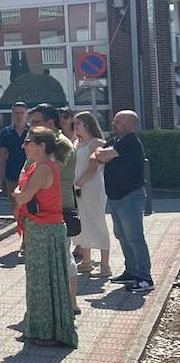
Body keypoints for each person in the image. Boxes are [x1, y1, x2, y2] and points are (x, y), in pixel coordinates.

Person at [13, 128, 80, 347]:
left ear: (42, 146)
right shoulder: (37, 166)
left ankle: (48, 333)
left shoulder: (43, 168)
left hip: (46, 229)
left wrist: (16, 193)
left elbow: (23, 196)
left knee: (45, 282)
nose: (25, 145)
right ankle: (37, 329)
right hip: (39, 228)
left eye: (28, 141)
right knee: (37, 281)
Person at [92, 110, 154, 293]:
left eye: (117, 121)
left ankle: (144, 278)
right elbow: (99, 154)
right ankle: (131, 271)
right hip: (116, 196)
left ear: (128, 125)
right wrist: (100, 152)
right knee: (122, 235)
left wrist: (99, 151)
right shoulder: (116, 140)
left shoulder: (130, 142)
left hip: (130, 196)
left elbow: (100, 156)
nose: (113, 123)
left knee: (135, 237)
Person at [29, 105, 80, 308]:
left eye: (36, 122)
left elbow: (44, 173)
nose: (31, 126)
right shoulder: (40, 144)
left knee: (63, 255)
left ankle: (71, 301)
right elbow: (26, 173)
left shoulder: (61, 145)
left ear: (50, 123)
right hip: (41, 208)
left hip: (60, 208)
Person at [71, 112, 111, 281]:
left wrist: (79, 183)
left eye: (78, 123)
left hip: (92, 187)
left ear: (87, 124)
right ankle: (86, 262)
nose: (75, 126)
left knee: (97, 223)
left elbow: (93, 167)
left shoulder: (98, 143)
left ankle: (105, 266)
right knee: (83, 224)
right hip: (77, 187)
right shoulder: (76, 142)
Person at [0, 102, 30, 196]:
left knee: (29, 205)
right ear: (12, 114)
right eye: (16, 113)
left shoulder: (33, 131)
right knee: (14, 203)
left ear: (26, 113)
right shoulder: (5, 133)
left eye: (22, 113)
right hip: (12, 174)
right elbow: (2, 156)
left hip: (30, 174)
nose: (19, 116)